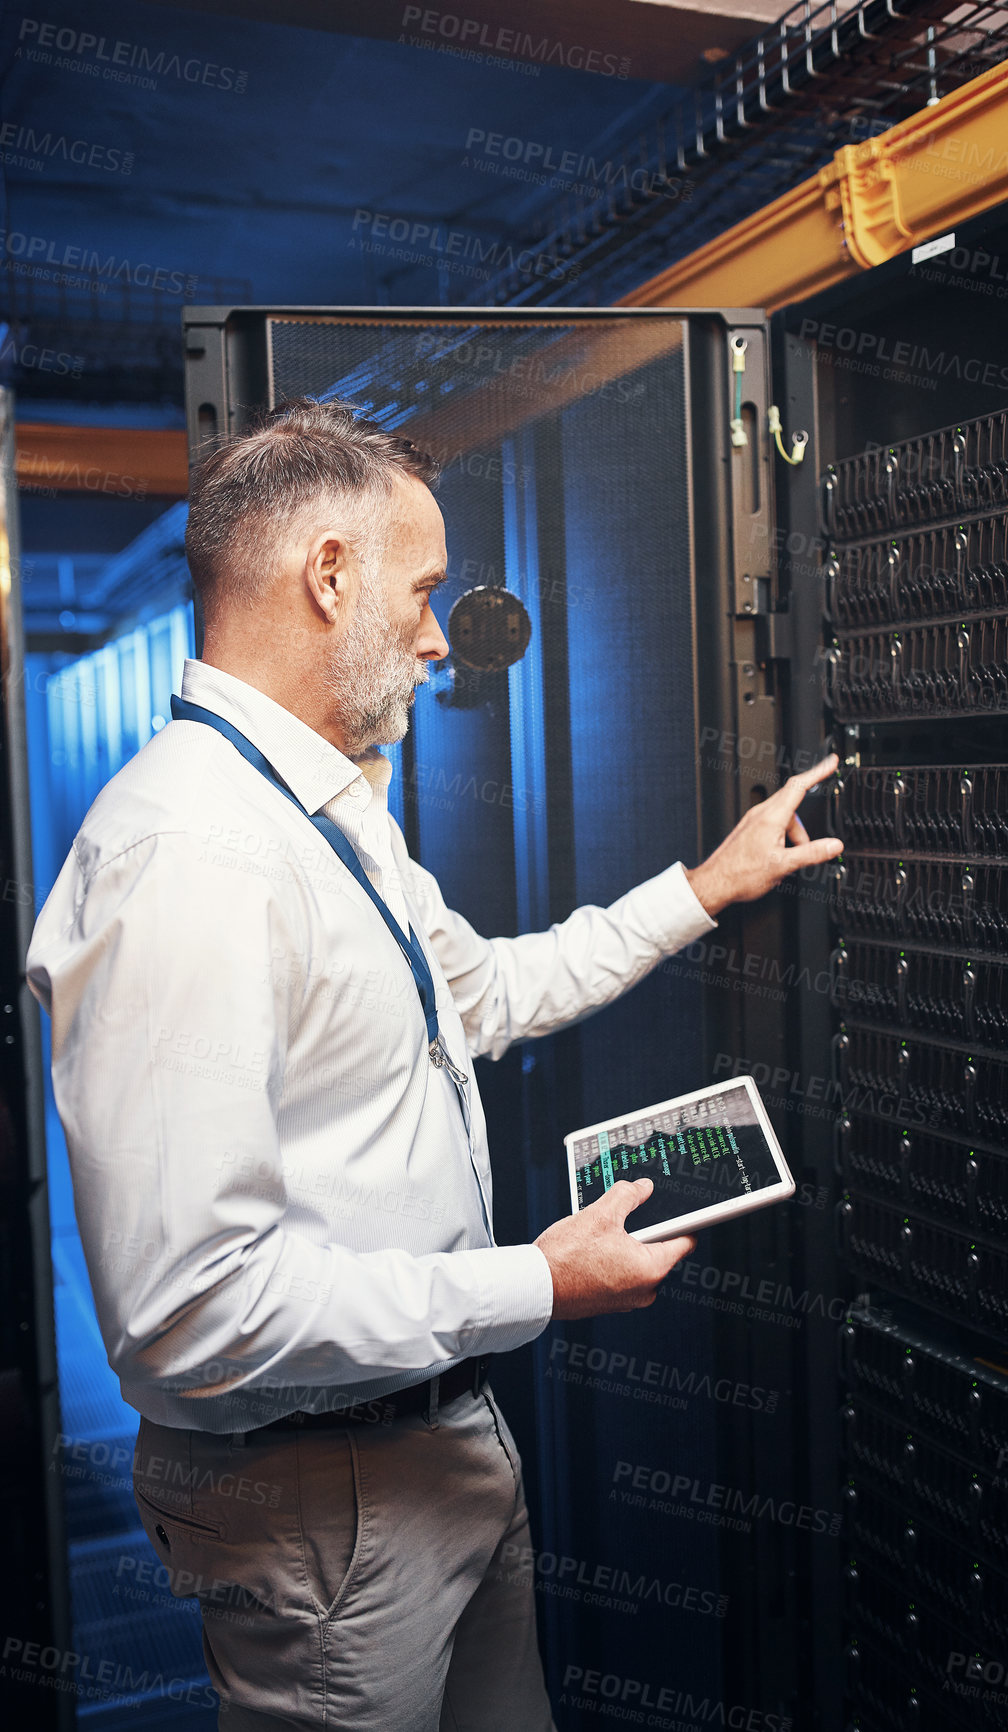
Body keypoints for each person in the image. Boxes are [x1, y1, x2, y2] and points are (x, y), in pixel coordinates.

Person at [26, 399, 842, 1732]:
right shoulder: (185, 855)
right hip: (323, 1506)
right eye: (418, 590)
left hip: (434, 1447)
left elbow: (480, 993)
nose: (430, 633)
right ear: (328, 574)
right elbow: (192, 1310)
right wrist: (539, 1282)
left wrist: (703, 888)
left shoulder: (324, 810)